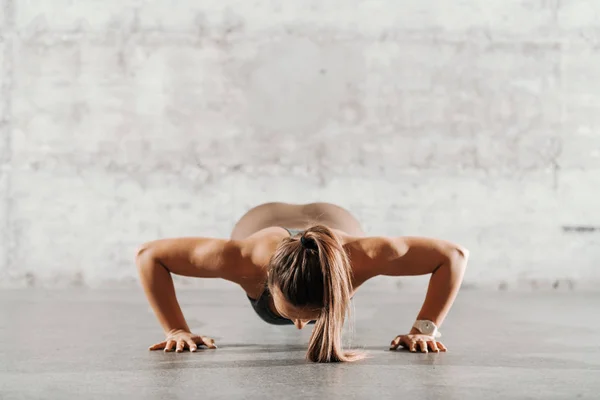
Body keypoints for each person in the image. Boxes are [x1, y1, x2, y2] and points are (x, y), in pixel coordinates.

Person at [136, 202, 469, 362]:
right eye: (293, 314)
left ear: (341, 286)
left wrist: (424, 330)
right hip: (263, 218)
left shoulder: (364, 256)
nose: (299, 327)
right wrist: (176, 329)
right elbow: (150, 255)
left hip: (332, 217)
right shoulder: (242, 258)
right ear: (267, 280)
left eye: (311, 316)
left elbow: (452, 255)